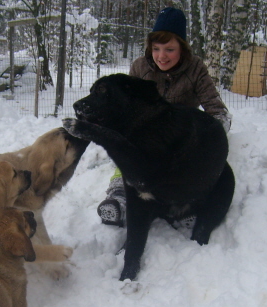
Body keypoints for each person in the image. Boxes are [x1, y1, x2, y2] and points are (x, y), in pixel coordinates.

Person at [97, 7, 232, 227]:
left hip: (179, 140)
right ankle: (119, 198)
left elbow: (218, 113)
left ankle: (186, 205)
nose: (161, 56)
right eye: (156, 48)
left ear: (183, 47)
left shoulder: (196, 69)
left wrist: (206, 136)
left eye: (169, 49)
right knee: (128, 153)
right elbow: (123, 105)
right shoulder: (140, 66)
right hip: (144, 137)